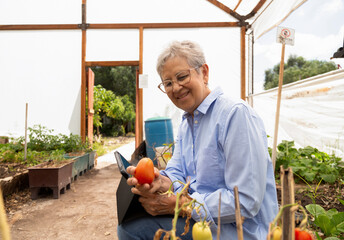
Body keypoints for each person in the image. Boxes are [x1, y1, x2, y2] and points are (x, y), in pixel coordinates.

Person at [117, 40, 278, 239]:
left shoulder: (235, 115)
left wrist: (182, 205)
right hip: (205, 224)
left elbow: (245, 201)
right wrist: (158, 181)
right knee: (132, 222)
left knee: (132, 230)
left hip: (238, 231)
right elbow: (177, 171)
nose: (175, 88)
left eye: (182, 77)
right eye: (167, 83)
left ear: (204, 72)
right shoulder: (188, 122)